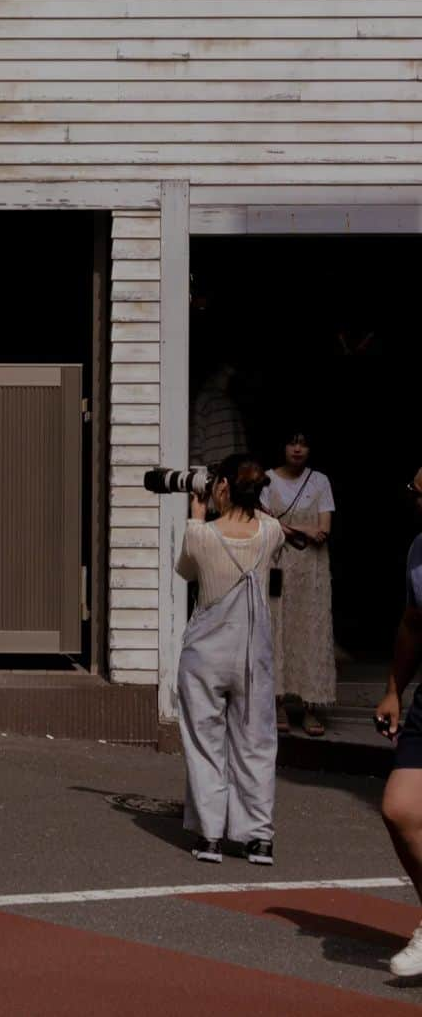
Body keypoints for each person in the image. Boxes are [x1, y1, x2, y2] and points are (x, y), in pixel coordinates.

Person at [176, 454, 285, 866]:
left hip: (204, 653)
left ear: (220, 487)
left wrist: (197, 515)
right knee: (256, 742)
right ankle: (258, 838)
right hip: (251, 654)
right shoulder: (271, 532)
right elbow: (268, 522)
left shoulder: (200, 535)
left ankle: (210, 836)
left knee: (205, 743)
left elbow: (186, 572)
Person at [375, 468, 422, 977]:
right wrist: (394, 690)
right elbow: (413, 622)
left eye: (417, 493)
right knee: (400, 807)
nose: (411, 499)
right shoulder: (418, 549)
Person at [261, 431, 336, 737]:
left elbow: (323, 531)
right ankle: (277, 703)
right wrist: (301, 529)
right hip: (278, 566)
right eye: (292, 442)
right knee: (277, 628)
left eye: (303, 443)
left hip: (312, 571)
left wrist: (290, 528)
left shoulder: (320, 481)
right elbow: (265, 524)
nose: (297, 448)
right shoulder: (266, 480)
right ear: (282, 446)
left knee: (311, 631)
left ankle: (309, 707)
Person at [189, 362, 248, 469]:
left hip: (236, 473)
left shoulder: (234, 399)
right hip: (213, 474)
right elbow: (195, 448)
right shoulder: (204, 400)